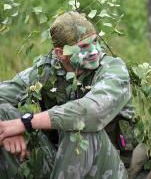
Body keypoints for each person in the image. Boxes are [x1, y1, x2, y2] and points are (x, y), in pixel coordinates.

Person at [0, 11, 133, 178]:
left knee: (80, 129)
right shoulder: (47, 71)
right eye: (84, 46)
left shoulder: (113, 69)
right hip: (60, 165)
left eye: (95, 42)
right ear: (60, 53)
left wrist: (26, 123)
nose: (94, 51)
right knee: (3, 113)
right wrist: (6, 131)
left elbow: (91, 112)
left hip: (105, 170)